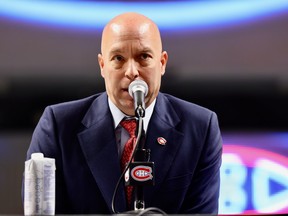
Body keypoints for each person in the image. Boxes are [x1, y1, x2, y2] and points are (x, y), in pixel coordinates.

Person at [23, 12, 222, 214]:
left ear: (162, 63)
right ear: (103, 66)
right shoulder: (58, 125)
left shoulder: (200, 127)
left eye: (143, 57)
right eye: (118, 58)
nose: (131, 71)